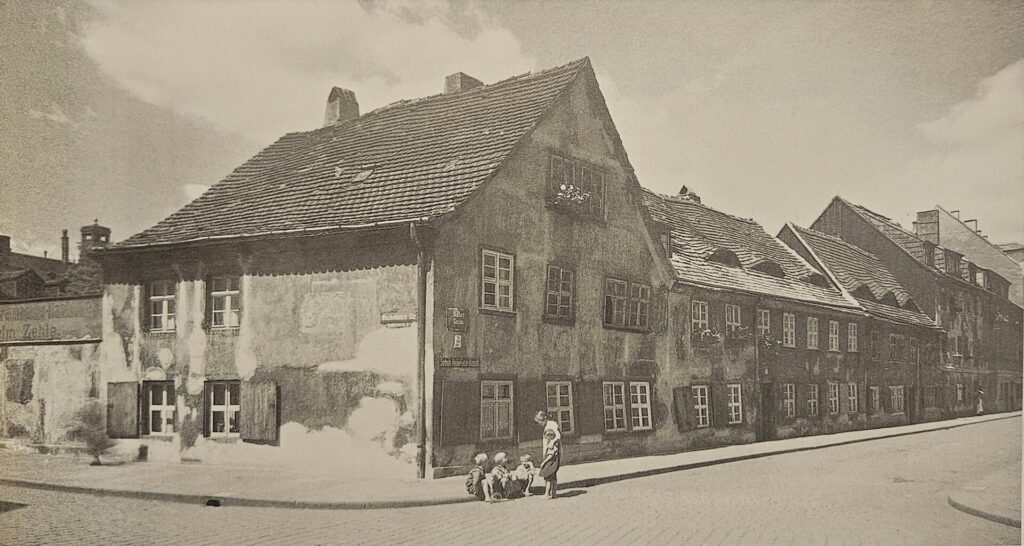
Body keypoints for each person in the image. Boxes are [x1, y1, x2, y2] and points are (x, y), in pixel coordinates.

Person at [535, 410, 561, 499]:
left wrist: (551, 443)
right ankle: (553, 493)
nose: (538, 423)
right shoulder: (547, 425)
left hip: (552, 454)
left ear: (544, 418)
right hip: (550, 453)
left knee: (548, 475)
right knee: (552, 475)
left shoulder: (552, 424)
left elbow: (558, 436)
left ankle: (548, 493)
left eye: (539, 421)